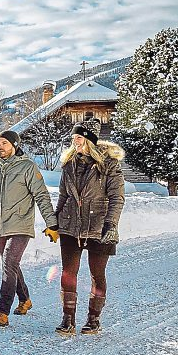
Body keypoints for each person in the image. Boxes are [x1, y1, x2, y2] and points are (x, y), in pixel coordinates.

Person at [0, 130, 60, 327]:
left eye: (4, 143)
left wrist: (51, 224)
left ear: (15, 145)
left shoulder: (27, 167)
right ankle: (25, 299)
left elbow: (41, 195)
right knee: (10, 265)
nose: (0, 147)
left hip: (21, 224)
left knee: (9, 263)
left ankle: (2, 311)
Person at [53, 124, 126, 335]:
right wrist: (54, 222)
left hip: (99, 226)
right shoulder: (69, 164)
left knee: (97, 274)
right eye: (73, 137)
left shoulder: (108, 164)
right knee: (68, 273)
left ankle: (93, 319)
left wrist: (111, 224)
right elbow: (63, 196)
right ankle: (68, 319)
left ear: (90, 140)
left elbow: (117, 198)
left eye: (79, 137)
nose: (74, 141)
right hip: (70, 226)